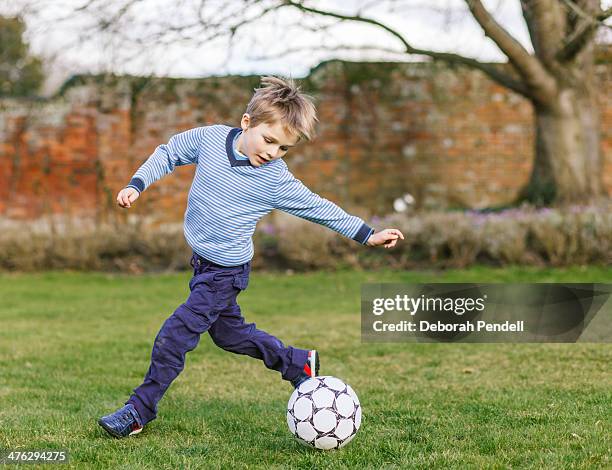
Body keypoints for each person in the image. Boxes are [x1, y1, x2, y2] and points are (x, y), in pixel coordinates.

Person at [98, 76, 404, 438]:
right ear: (246, 123)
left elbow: (318, 207)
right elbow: (168, 152)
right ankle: (297, 363)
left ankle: (139, 410)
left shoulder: (275, 178)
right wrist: (136, 184)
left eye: (284, 148)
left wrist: (367, 234)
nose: (274, 152)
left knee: (176, 333)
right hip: (203, 264)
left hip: (226, 273)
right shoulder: (210, 140)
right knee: (228, 335)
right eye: (270, 140)